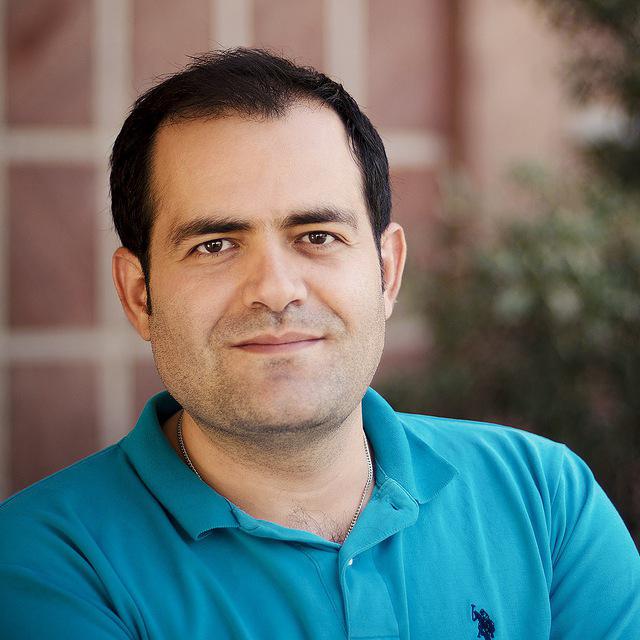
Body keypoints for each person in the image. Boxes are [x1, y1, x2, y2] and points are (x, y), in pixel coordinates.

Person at [1, 48, 638, 640]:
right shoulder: (45, 563)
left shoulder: (543, 500)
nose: (276, 291)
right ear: (141, 295)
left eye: (317, 236)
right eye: (215, 245)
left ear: (387, 271)